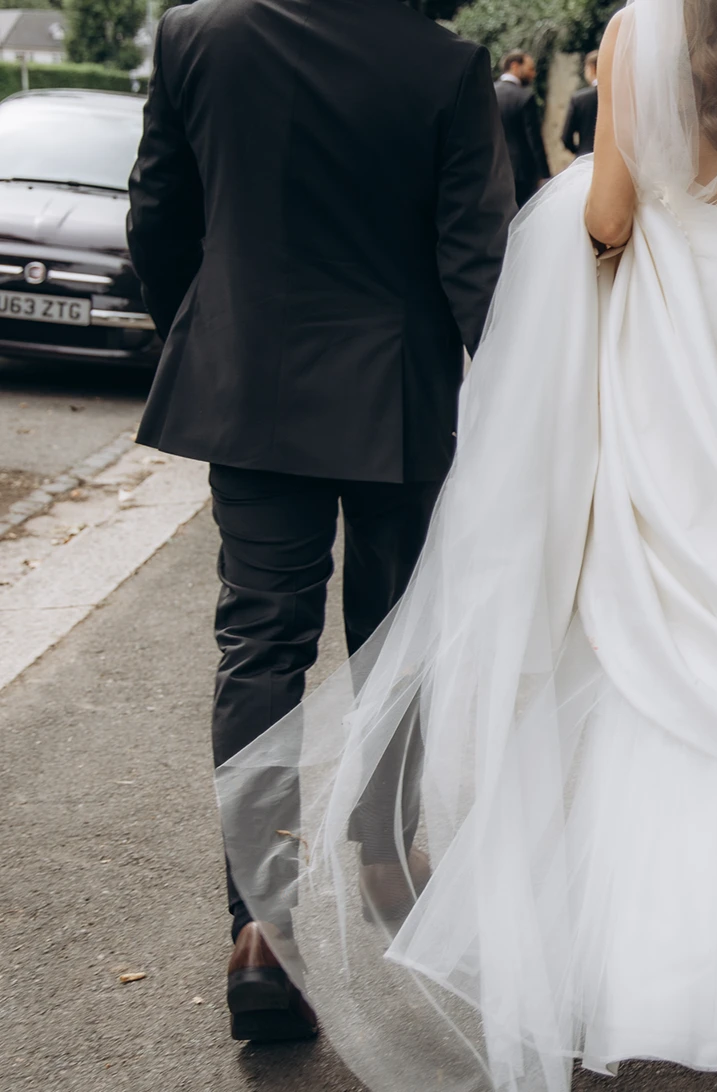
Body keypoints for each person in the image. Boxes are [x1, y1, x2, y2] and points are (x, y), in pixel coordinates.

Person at [214, 0, 717, 1087]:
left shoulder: (644, 31)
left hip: (682, 348)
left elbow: (607, 217)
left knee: (671, 625)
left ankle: (668, 951)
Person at [126, 0, 514, 1045]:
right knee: (393, 635)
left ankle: (259, 927)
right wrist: (522, 404)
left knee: (260, 639)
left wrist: (205, 339)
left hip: (245, 382)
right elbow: (476, 262)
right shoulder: (444, 66)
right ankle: (386, 855)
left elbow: (158, 214)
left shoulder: (195, 34)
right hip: (396, 398)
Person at [495, 50, 551, 207]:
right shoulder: (525, 96)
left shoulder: (488, 92)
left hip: (492, 170)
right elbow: (534, 139)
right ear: (514, 66)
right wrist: (545, 175)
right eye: (530, 69)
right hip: (522, 173)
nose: (533, 74)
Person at [560, 49, 598, 158]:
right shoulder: (619, 97)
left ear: (592, 68)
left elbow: (566, 137)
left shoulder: (579, 99)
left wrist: (580, 150)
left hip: (585, 158)